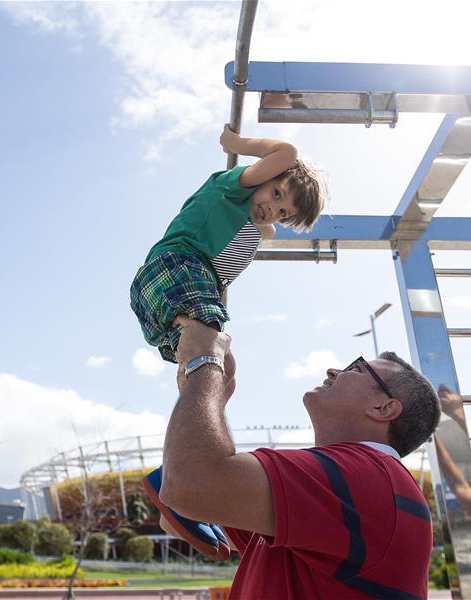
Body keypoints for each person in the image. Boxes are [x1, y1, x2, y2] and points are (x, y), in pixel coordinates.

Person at [132, 125, 326, 559]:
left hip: (174, 291)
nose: (271, 209)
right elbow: (286, 152)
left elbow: (267, 229)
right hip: (175, 269)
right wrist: (237, 147)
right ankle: (182, 480)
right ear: (262, 176)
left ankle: (175, 483)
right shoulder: (232, 189)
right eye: (275, 194)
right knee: (212, 355)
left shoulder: (256, 226)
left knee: (221, 373)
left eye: (283, 211)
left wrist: (269, 222)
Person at [159, 319, 441, 598]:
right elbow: (182, 511)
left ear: (383, 407)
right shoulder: (355, 488)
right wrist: (210, 387)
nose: (333, 371)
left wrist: (205, 364)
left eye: (356, 368)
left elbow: (190, 486)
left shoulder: (370, 477)